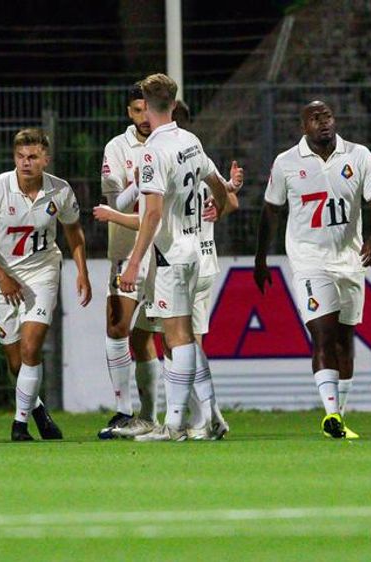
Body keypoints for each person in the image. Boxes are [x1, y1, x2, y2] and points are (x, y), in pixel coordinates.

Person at [95, 100, 242, 440]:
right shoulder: (193, 149)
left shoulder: (159, 155)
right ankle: (208, 416)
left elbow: (151, 216)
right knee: (180, 339)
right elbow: (226, 195)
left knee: (177, 342)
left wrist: (128, 251)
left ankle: (180, 422)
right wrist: (222, 198)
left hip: (173, 258)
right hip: (199, 257)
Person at [255, 100, 371, 439]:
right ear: (304, 126)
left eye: (327, 116)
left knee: (345, 341)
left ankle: (339, 420)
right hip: (308, 259)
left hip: (349, 260)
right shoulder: (286, 163)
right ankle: (329, 412)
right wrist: (261, 259)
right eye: (315, 119)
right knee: (323, 335)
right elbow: (270, 211)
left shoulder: (358, 156)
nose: (323, 123)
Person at [0, 128, 91, 441]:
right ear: (14, 158)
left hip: (42, 273)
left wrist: (82, 271)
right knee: (16, 361)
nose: (26, 163)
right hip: (2, 277)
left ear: (45, 159)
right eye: (21, 157)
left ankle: (19, 425)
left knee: (30, 347)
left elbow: (74, 232)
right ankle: (38, 411)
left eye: (33, 157)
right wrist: (1, 276)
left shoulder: (60, 192)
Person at [96, 82, 161, 439]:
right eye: (137, 110)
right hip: (126, 248)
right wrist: (139, 185)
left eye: (148, 110)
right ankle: (123, 410)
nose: (144, 117)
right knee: (118, 327)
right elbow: (113, 204)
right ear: (129, 113)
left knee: (151, 336)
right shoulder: (117, 148)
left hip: (166, 249)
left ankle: (154, 417)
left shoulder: (173, 142)